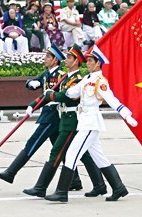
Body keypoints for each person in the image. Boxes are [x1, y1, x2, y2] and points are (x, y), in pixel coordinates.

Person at [45, 46, 137, 202]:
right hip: (84, 120)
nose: (87, 63)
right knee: (99, 157)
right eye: (87, 60)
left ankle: (61, 192)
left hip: (91, 122)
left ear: (98, 64)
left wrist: (126, 115)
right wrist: (56, 93)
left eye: (90, 61)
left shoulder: (100, 82)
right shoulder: (87, 79)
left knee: (72, 154)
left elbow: (112, 100)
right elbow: (72, 92)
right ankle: (118, 187)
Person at [23, 44, 107, 199]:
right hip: (66, 119)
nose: (65, 60)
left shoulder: (77, 79)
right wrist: (35, 104)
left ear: (76, 61)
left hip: (72, 119)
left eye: (69, 57)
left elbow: (68, 96)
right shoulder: (66, 77)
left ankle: (41, 187)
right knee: (85, 154)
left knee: (57, 152)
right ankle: (100, 185)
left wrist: (51, 96)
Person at [0, 45, 74, 185]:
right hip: (47, 113)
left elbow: (59, 96)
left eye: (48, 57)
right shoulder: (46, 74)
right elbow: (33, 83)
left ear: (55, 60)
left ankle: (11, 172)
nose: (45, 59)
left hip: (53, 115)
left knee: (33, 142)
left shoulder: (61, 74)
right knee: (61, 149)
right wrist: (31, 84)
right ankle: (75, 180)